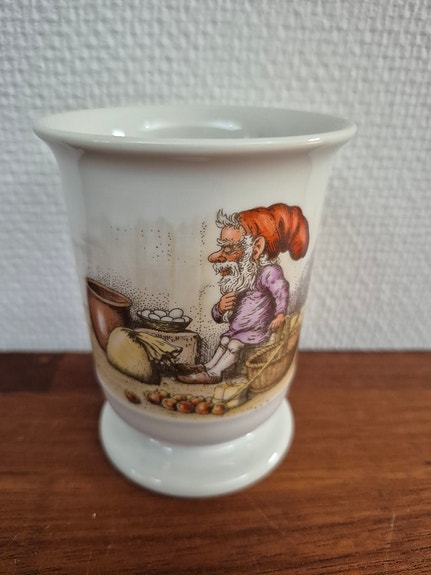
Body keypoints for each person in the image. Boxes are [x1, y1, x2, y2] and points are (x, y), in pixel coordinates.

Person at [177, 203, 309, 384]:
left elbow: (280, 289)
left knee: (232, 344)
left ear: (256, 248)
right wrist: (219, 308)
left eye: (228, 249)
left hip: (255, 331)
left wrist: (280, 314)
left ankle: (214, 373)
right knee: (225, 341)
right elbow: (220, 316)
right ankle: (207, 367)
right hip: (237, 329)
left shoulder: (267, 272)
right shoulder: (241, 278)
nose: (214, 257)